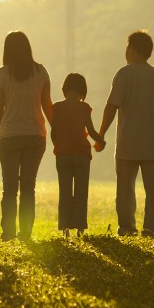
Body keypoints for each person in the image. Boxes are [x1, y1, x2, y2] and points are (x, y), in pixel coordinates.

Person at [95, 30, 154, 238]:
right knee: (153, 191)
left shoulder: (124, 73)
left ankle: (127, 228)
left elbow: (111, 107)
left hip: (127, 144)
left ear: (132, 49)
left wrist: (101, 134)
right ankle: (151, 230)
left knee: (125, 191)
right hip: (153, 145)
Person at [0, 31, 52, 241]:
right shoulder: (41, 72)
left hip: (9, 135)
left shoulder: (2, 74)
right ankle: (25, 232)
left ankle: (7, 232)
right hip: (35, 135)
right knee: (28, 187)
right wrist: (57, 131)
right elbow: (47, 106)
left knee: (9, 188)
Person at [51, 73, 106, 238]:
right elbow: (91, 131)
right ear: (82, 90)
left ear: (65, 89)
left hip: (63, 155)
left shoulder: (57, 107)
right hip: (82, 155)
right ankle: (80, 228)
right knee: (81, 192)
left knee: (65, 192)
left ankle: (65, 228)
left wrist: (59, 146)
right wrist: (101, 141)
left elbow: (54, 132)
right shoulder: (84, 108)